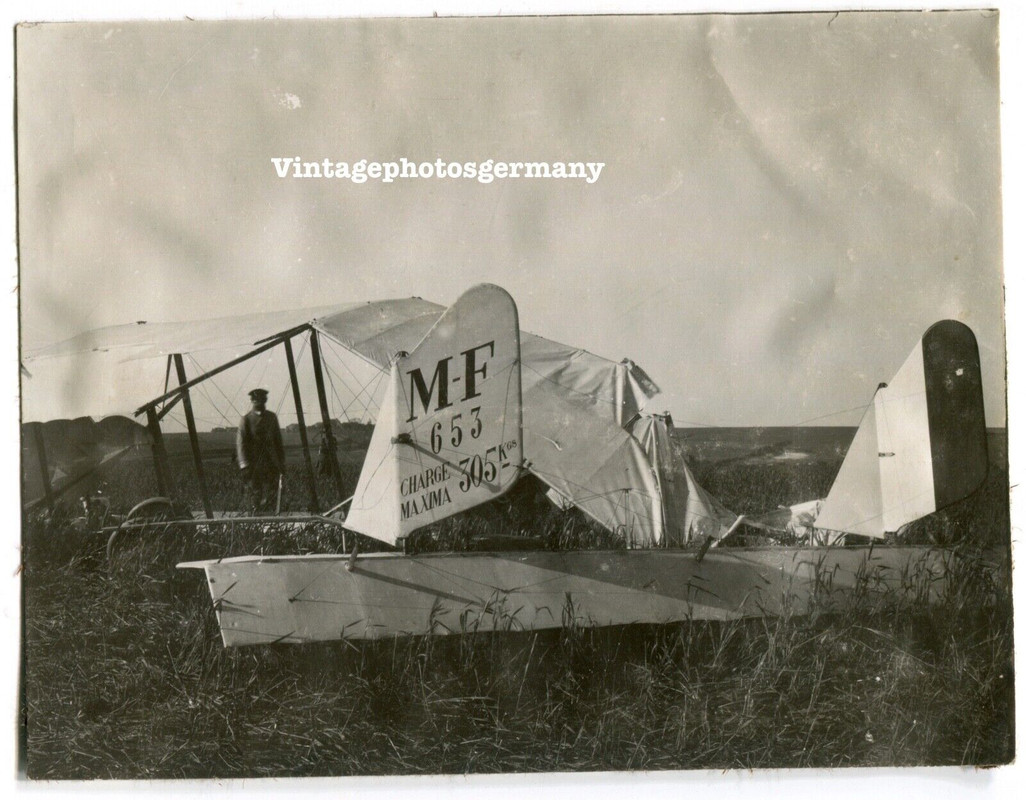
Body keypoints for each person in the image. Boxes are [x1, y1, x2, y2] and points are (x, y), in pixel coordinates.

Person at [236, 388, 285, 512]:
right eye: (257, 400)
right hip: (253, 464)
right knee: (255, 494)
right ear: (252, 401)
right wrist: (244, 465)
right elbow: (241, 444)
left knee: (272, 492)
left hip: (270, 463)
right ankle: (255, 518)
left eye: (263, 400)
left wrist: (281, 462)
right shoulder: (246, 420)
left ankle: (271, 519)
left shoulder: (272, 417)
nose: (260, 403)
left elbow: (278, 441)